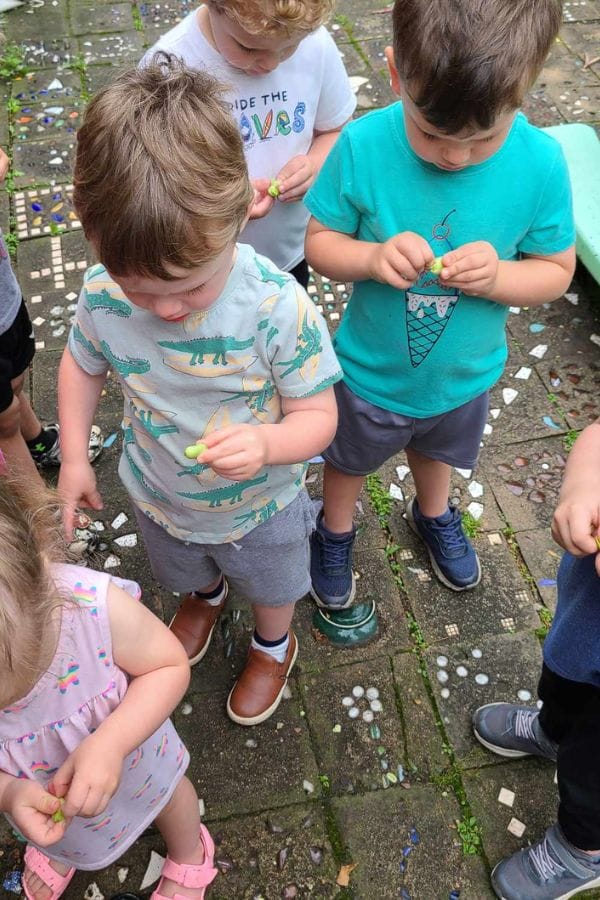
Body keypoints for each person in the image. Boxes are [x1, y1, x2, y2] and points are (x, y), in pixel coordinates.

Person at [57, 57, 341, 727]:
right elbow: (80, 364)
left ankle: (273, 642)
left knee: (273, 585)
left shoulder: (275, 306)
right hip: (158, 490)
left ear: (242, 213)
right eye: (141, 291)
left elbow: (320, 417)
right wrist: (73, 456)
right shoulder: (103, 293)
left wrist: (270, 443)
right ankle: (204, 598)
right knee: (182, 565)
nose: (168, 311)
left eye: (190, 288)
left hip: (259, 505)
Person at [304, 0, 576, 608]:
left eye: (484, 139)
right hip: (370, 374)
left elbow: (555, 273)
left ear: (525, 89)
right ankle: (334, 529)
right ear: (396, 74)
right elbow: (320, 244)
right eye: (430, 132)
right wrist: (372, 259)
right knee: (346, 461)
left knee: (438, 451)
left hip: (463, 377)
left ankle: (433, 514)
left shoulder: (540, 165)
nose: (454, 157)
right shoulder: (363, 145)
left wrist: (499, 276)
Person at [0, 475, 217, 900]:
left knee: (170, 799)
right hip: (39, 789)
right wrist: (9, 792)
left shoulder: (87, 605)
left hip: (137, 757)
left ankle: (189, 851)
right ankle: (68, 848)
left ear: (41, 578)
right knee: (64, 825)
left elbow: (169, 665)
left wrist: (111, 743)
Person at [141, 0, 356, 289]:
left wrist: (315, 165)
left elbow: (335, 130)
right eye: (248, 48)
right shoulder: (170, 66)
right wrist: (224, 202)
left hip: (287, 254)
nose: (270, 64)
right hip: (203, 265)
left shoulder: (314, 43)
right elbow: (150, 180)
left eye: (287, 49)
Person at [473, 418, 600, 899]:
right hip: (586, 627)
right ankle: (553, 732)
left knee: (592, 774)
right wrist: (583, 487)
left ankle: (582, 850)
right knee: (562, 687)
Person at [0, 148, 103, 480]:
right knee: (4, 421)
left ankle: (38, 443)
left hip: (4, 301)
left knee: (16, 380)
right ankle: (43, 525)